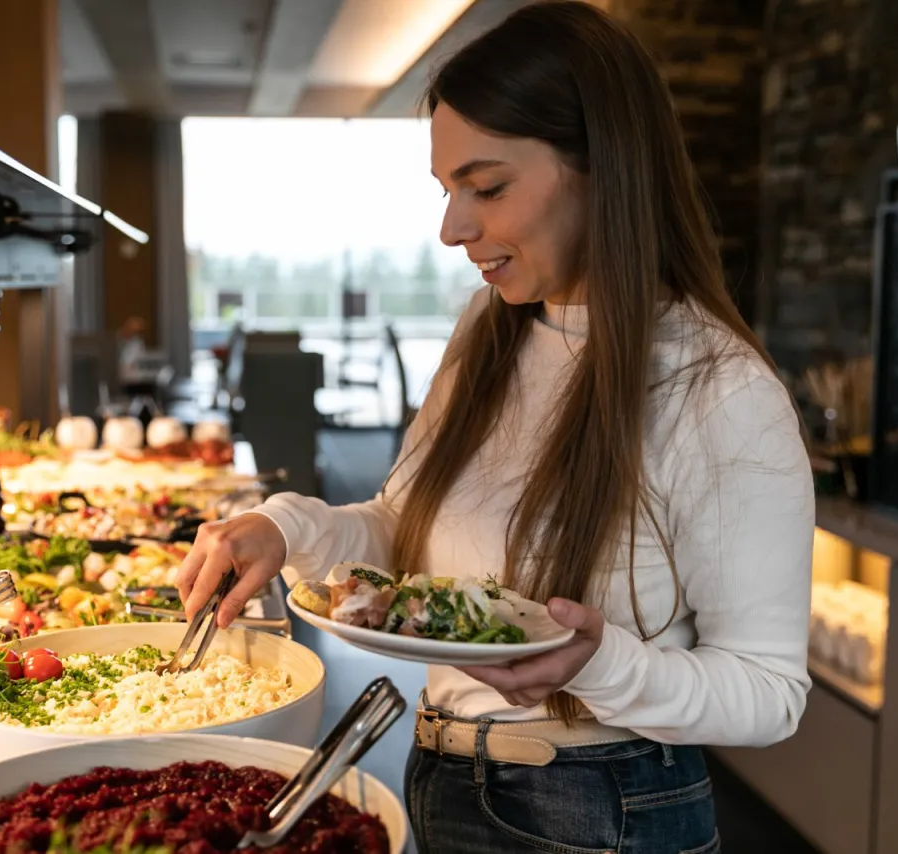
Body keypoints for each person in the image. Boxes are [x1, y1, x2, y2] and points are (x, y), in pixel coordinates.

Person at [176, 2, 814, 851]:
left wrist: (604, 664)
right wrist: (285, 528)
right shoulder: (492, 327)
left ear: (602, 167)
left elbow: (770, 692)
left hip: (605, 808)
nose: (453, 229)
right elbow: (406, 526)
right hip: (440, 769)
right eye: (448, 191)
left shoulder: (720, 388)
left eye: (488, 187)